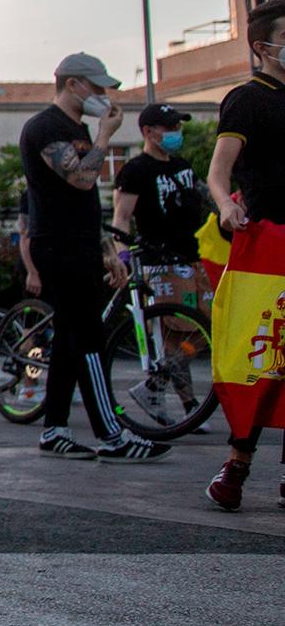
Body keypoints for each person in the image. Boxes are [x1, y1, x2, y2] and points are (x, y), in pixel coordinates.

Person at [18, 52, 170, 462]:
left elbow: (83, 201)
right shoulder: (45, 127)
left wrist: (105, 248)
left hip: (79, 243)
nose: (103, 95)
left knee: (71, 339)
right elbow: (82, 179)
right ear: (73, 85)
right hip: (58, 245)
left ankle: (55, 428)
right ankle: (111, 433)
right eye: (97, 87)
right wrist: (105, 135)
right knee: (88, 337)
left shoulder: (74, 128)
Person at [205, 0, 285, 510]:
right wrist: (224, 208)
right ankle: (238, 463)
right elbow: (219, 171)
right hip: (267, 243)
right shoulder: (247, 100)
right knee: (263, 356)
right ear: (263, 46)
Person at [112, 104, 210, 428]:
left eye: (177, 127)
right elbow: (122, 216)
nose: (175, 134)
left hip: (190, 256)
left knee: (203, 328)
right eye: (169, 128)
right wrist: (122, 254)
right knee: (177, 330)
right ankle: (187, 402)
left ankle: (157, 389)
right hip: (160, 259)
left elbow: (203, 196)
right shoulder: (136, 170)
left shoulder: (181, 165)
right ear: (148, 132)